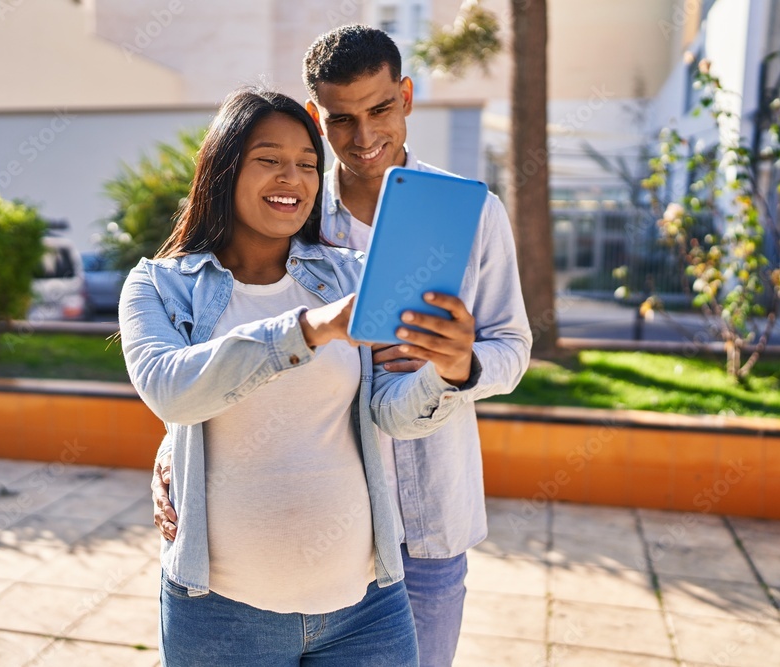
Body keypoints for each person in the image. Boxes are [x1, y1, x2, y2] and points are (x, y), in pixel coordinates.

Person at [151, 26, 533, 667]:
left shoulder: (471, 212)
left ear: (406, 97)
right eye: (342, 119)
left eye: (380, 109)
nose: (364, 137)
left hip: (432, 514)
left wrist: (459, 365)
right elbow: (218, 340)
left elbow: (512, 348)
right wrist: (172, 451)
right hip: (319, 537)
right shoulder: (288, 211)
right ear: (314, 116)